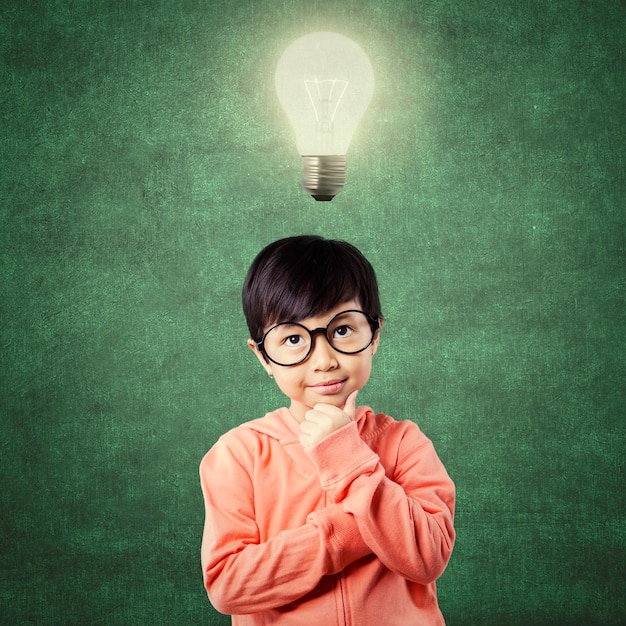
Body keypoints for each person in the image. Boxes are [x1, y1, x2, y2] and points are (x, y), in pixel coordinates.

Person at [199, 235, 455, 625]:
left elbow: (428, 557)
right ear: (263, 356)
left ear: (375, 335)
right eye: (293, 338)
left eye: (341, 331)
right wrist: (349, 533)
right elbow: (228, 585)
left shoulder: (404, 443)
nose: (323, 360)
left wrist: (350, 458)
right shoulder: (238, 454)